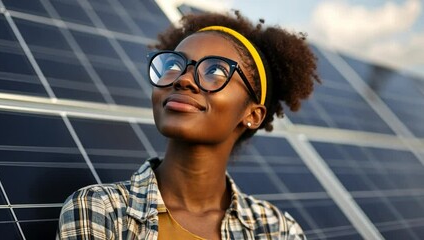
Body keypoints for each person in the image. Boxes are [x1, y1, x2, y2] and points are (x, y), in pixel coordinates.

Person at [58, 11, 319, 240]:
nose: (183, 79)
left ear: (253, 114)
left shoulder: (276, 230)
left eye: (215, 71)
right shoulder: (101, 210)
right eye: (173, 65)